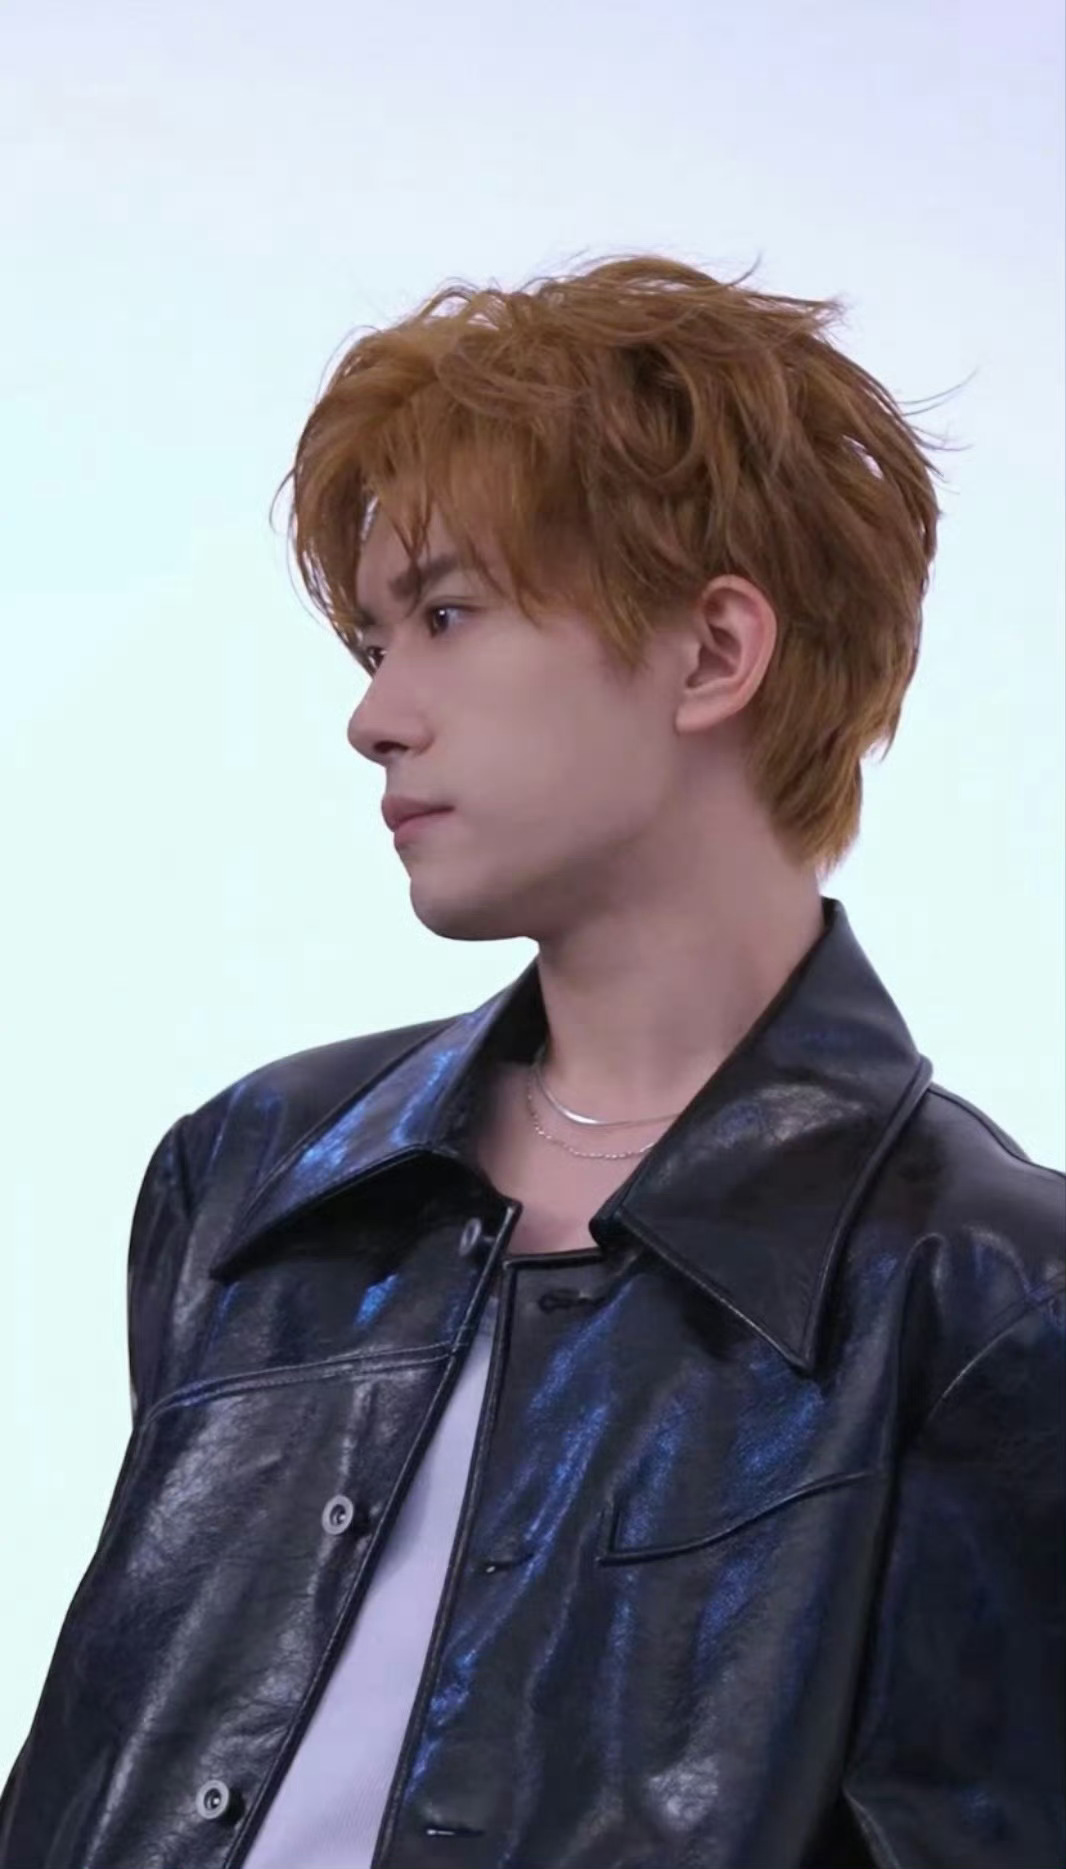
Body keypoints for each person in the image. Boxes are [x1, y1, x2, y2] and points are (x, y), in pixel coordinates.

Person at [1, 253, 1063, 1869]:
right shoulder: (257, 1179)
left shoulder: (987, 1299)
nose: (375, 714)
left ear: (711, 653)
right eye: (373, 641)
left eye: (445, 614)